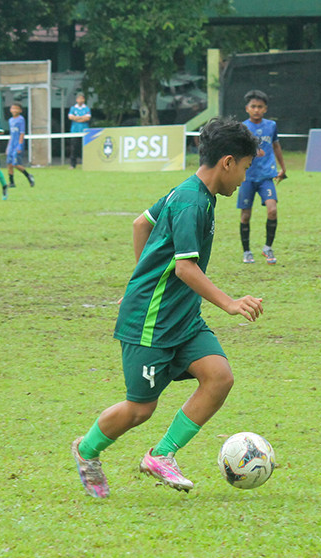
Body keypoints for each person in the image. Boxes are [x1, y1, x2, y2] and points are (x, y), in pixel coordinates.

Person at [70, 117, 263, 499]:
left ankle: (161, 455)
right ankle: (87, 450)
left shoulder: (191, 192)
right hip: (151, 321)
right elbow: (184, 268)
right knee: (140, 409)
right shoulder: (191, 202)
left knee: (219, 377)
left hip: (183, 318)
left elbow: (140, 224)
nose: (243, 179)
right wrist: (229, 303)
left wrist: (141, 275)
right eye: (244, 168)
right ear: (227, 162)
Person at [238, 90, 287, 264]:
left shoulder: (271, 126)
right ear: (247, 108)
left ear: (265, 109)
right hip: (247, 177)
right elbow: (238, 151)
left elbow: (276, 146)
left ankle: (268, 247)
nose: (256, 110)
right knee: (245, 215)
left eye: (260, 107)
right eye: (253, 106)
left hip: (266, 176)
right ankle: (246, 251)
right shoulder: (242, 128)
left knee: (272, 210)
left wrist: (283, 168)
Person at [6, 102, 35, 188]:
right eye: (13, 108)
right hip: (11, 144)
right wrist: (8, 146)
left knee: (15, 164)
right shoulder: (10, 120)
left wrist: (20, 145)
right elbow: (11, 134)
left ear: (20, 110)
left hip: (17, 144)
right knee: (9, 163)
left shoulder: (21, 119)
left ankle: (28, 175)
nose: (14, 110)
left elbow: (22, 133)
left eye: (16, 108)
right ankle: (12, 182)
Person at [67, 93, 91, 169]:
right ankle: (72, 165)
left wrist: (77, 118)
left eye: (82, 98)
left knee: (84, 148)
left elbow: (87, 118)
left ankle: (86, 164)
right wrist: (81, 118)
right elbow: (70, 117)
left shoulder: (86, 108)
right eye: (79, 98)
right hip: (75, 131)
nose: (81, 100)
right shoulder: (73, 108)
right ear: (77, 100)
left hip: (84, 131)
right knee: (74, 148)